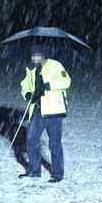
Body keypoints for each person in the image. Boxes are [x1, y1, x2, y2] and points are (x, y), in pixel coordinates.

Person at [19, 45, 71, 183]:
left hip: (54, 111)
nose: (35, 59)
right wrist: (28, 94)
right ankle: (34, 171)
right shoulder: (30, 70)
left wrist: (47, 85)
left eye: (38, 55)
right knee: (31, 141)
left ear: (43, 55)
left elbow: (66, 81)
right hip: (37, 111)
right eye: (33, 56)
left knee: (54, 144)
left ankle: (58, 174)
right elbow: (24, 86)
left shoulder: (55, 65)